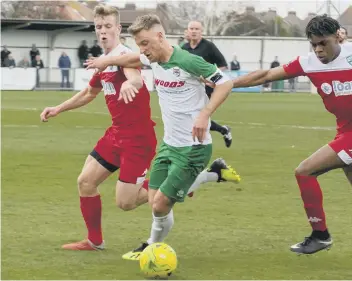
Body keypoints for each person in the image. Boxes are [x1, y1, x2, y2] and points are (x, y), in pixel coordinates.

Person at [206, 15, 352, 263]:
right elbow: (266, 75)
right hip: (348, 134)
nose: (318, 49)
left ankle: (320, 234)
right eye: (313, 44)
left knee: (304, 171)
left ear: (338, 37)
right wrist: (228, 84)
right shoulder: (309, 62)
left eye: (323, 43)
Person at [41, 5, 238, 252]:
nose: (102, 32)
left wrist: (131, 84)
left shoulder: (138, 57)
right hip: (116, 134)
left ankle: (188, 183)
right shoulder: (118, 60)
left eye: (108, 27)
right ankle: (95, 241)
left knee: (128, 202)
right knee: (85, 182)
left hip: (137, 139)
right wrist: (59, 108)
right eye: (98, 27)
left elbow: (134, 74)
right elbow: (91, 92)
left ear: (117, 28)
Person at [182, 21, 233, 148]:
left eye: (197, 29)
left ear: (201, 32)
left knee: (198, 117)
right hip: (188, 88)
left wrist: (213, 80)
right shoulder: (183, 48)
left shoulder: (209, 46)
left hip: (206, 88)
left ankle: (198, 146)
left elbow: (223, 65)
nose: (194, 31)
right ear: (187, 31)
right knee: (191, 117)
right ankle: (223, 130)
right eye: (191, 28)